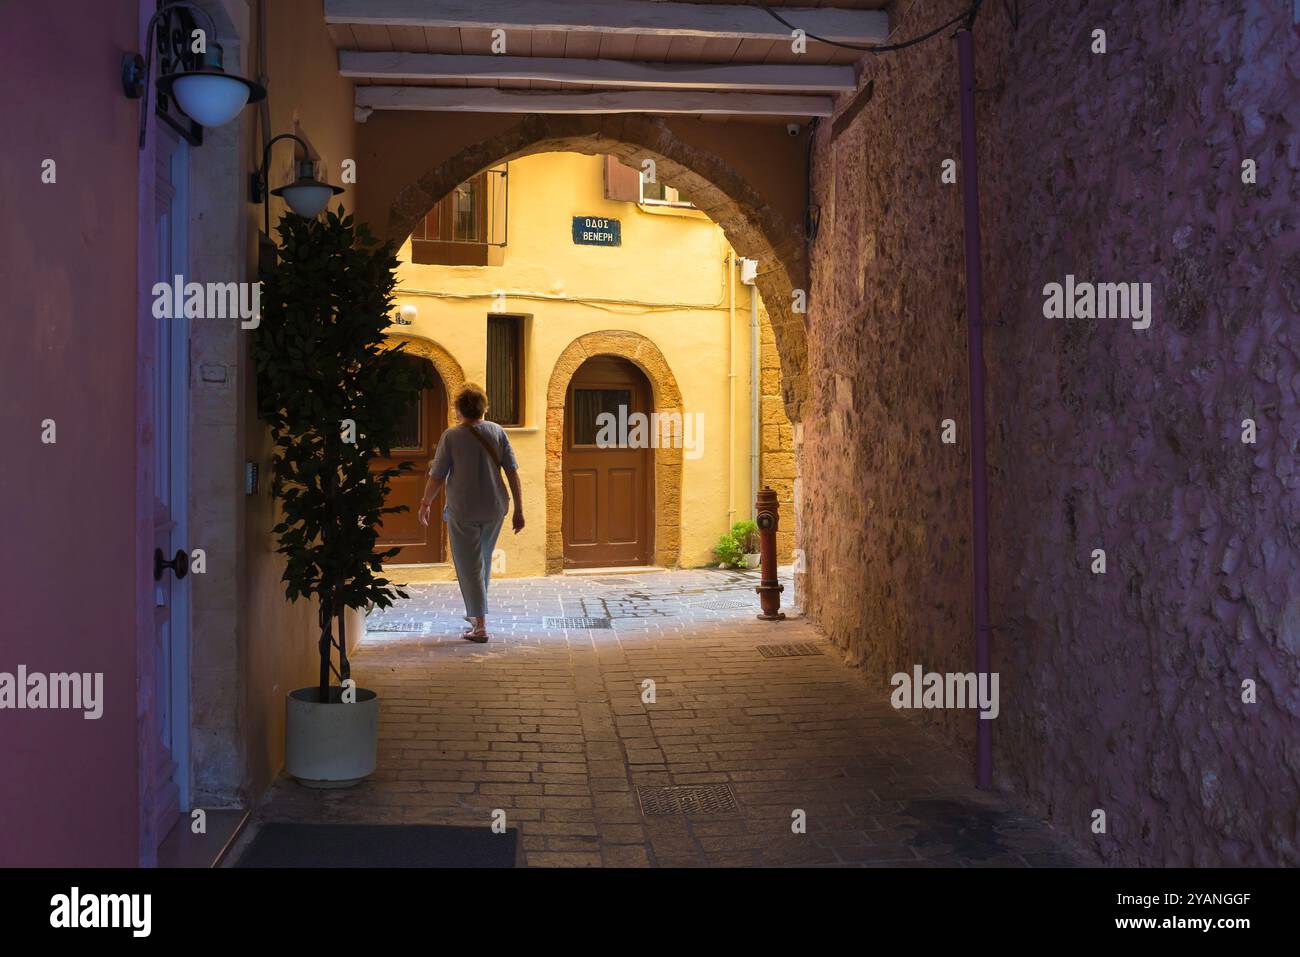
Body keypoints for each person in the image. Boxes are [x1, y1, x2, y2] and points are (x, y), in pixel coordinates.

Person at [418, 383, 524, 642]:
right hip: (494, 508)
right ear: (484, 407)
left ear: (458, 409)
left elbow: (437, 475)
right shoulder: (497, 432)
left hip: (463, 510)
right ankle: (476, 614)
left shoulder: (452, 436)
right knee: (483, 561)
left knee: (469, 566)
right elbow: (511, 471)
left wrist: (425, 503)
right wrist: (519, 508)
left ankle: (480, 626)